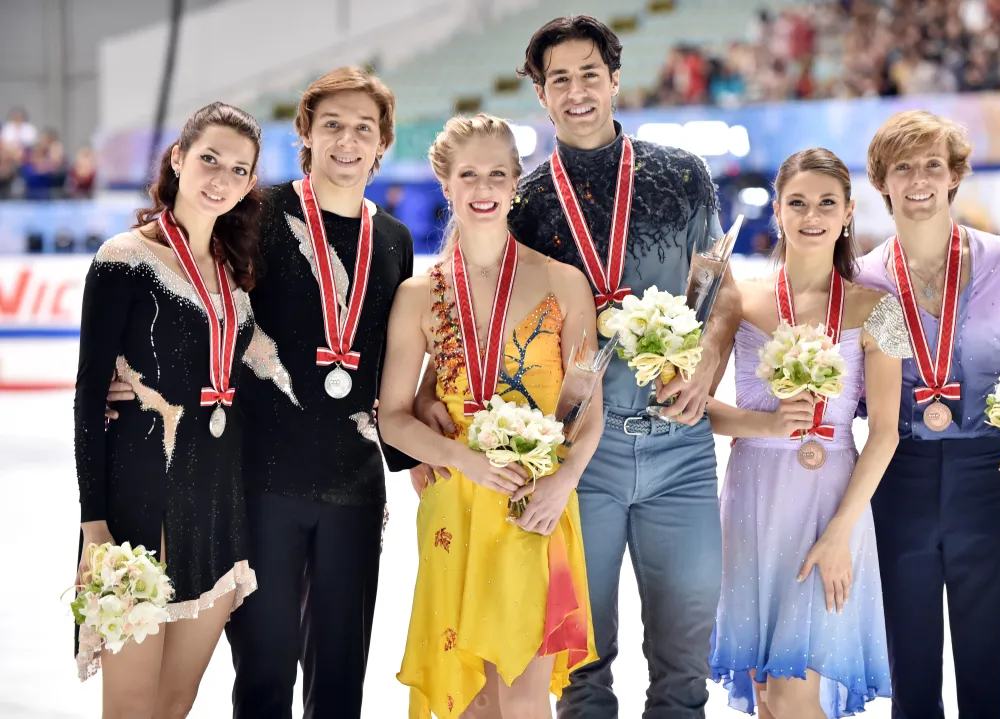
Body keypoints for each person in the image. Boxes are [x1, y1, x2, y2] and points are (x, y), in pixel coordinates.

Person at [411, 16, 741, 718]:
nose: (577, 90)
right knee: (579, 667)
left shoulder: (681, 175)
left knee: (684, 667)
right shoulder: (523, 202)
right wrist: (426, 399)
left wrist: (707, 363)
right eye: (558, 78)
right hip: (571, 458)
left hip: (677, 450)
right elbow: (472, 310)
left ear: (615, 78)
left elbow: (722, 289)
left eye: (589, 73)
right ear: (540, 94)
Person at [105, 67, 418, 717]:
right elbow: (190, 294)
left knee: (338, 683)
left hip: (353, 489)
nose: (347, 141)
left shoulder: (393, 240)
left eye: (364, 128)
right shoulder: (258, 214)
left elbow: (391, 363)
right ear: (304, 132)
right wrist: (126, 362)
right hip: (258, 484)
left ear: (383, 142)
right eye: (331, 124)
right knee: (263, 682)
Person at [856, 110, 1000, 719]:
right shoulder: (868, 281)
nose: (919, 179)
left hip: (988, 478)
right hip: (896, 480)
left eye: (934, 164)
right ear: (882, 181)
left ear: (955, 175)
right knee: (913, 683)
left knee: (989, 682)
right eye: (903, 167)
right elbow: (857, 395)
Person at [381, 113, 602, 718]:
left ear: (515, 185)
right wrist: (458, 459)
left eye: (498, 175)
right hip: (456, 498)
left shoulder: (563, 282)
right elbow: (394, 417)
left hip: (538, 501)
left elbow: (587, 408)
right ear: (446, 183)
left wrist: (563, 482)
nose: (484, 189)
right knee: (470, 698)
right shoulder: (417, 293)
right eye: (469, 175)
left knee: (523, 696)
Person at [74, 102, 262, 716]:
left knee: (175, 703)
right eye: (209, 159)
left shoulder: (236, 271)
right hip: (138, 512)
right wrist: (94, 528)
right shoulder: (123, 259)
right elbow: (87, 397)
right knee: (130, 707)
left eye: (238, 169)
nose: (220, 179)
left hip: (217, 509)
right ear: (178, 158)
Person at [705, 148, 903, 718]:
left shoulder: (879, 309)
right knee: (768, 697)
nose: (811, 215)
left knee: (795, 697)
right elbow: (697, 406)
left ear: (847, 213)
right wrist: (763, 423)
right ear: (778, 210)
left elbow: (885, 432)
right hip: (751, 499)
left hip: (830, 503)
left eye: (826, 203)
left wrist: (841, 532)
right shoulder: (738, 297)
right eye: (798, 202)